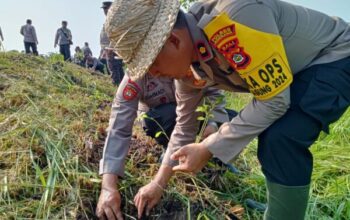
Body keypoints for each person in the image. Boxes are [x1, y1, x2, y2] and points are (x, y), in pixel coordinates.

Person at [105, 0, 350, 219]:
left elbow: (275, 99)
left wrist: (208, 147)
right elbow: (185, 125)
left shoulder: (233, 17)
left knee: (280, 138)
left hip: (334, 55)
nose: (154, 75)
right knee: (270, 131)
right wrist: (158, 183)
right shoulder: (189, 69)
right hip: (296, 73)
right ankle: (278, 207)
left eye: (153, 64)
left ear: (173, 40)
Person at [96, 72, 237, 219]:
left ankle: (218, 160)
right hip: (167, 119)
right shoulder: (134, 78)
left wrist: (213, 122)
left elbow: (213, 92)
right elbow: (118, 129)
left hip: (195, 112)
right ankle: (172, 153)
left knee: (232, 120)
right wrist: (108, 186)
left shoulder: (190, 64)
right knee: (169, 115)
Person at [100, 1, 125, 85]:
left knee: (114, 68)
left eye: (105, 9)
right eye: (104, 9)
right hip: (110, 48)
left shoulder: (114, 19)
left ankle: (117, 86)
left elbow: (115, 35)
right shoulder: (110, 19)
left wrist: (110, 48)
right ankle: (121, 86)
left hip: (112, 48)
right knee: (117, 68)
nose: (104, 11)